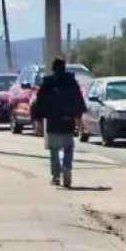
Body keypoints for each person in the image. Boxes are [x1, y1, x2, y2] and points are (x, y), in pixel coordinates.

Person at [30, 58, 87, 187]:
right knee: (68, 148)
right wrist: (79, 120)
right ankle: (67, 168)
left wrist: (38, 121)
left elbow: (39, 103)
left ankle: (56, 176)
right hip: (67, 122)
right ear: (64, 67)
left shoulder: (48, 83)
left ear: (53, 68)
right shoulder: (71, 83)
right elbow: (78, 102)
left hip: (52, 122)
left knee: (54, 150)